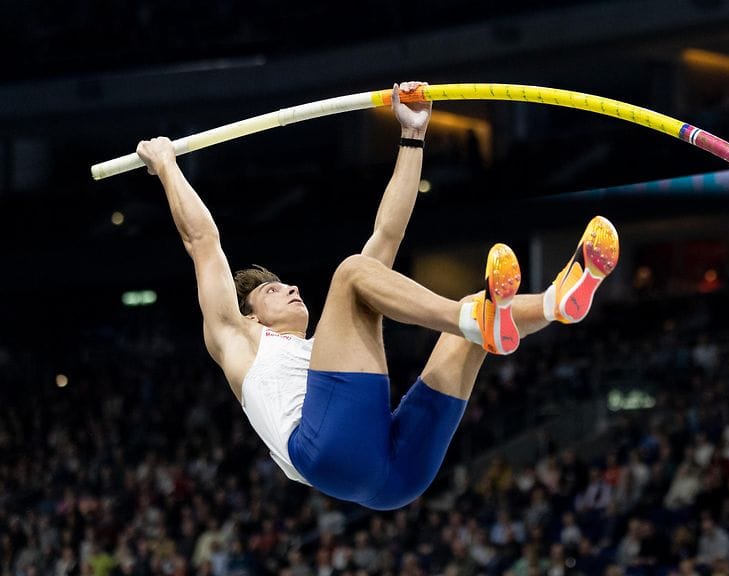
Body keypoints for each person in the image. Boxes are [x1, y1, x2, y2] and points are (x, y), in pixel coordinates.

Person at [135, 81, 620, 511]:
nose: (291, 287)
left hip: (393, 477)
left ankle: (557, 301)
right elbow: (203, 243)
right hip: (327, 451)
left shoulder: (329, 349)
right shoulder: (237, 340)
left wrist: (412, 136)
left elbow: (387, 232)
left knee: (454, 315)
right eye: (271, 290)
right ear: (250, 315)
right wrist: (167, 166)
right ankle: (473, 317)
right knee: (351, 275)